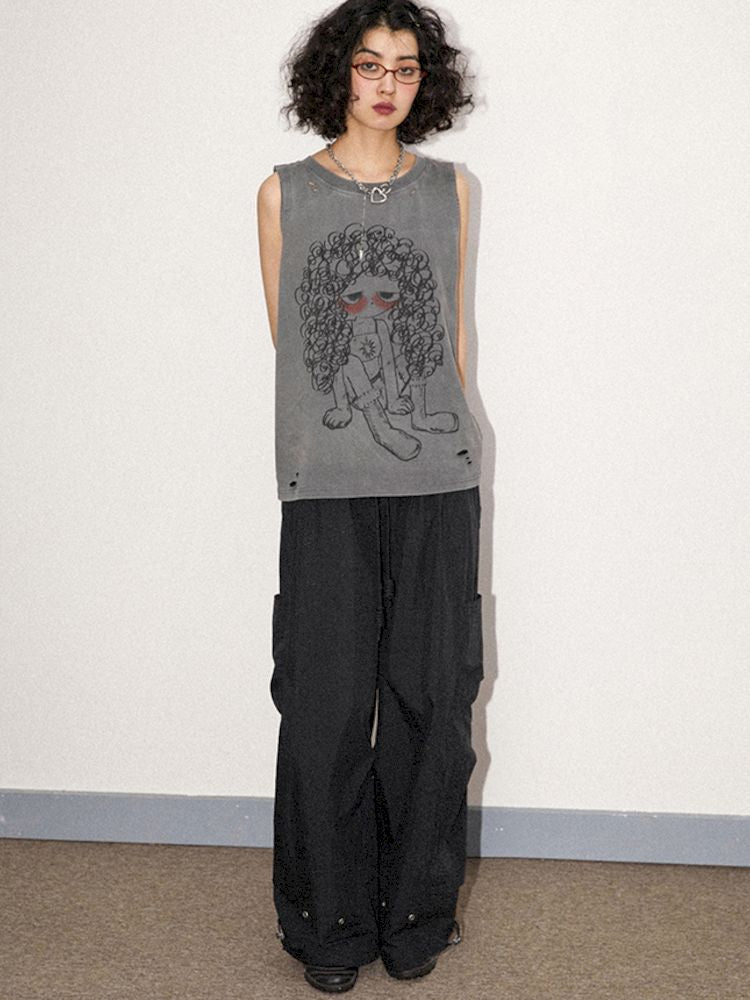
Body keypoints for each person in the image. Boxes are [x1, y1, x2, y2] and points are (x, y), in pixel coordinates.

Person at [256, 0, 484, 992]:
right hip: (327, 485)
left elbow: (454, 334)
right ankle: (331, 924)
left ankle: (417, 916)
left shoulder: (452, 189)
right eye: (368, 64)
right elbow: (291, 341)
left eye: (406, 67)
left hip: (439, 480)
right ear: (337, 75)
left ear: (425, 82)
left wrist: (448, 433)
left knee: (434, 699)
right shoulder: (284, 193)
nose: (387, 84)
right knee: (325, 704)